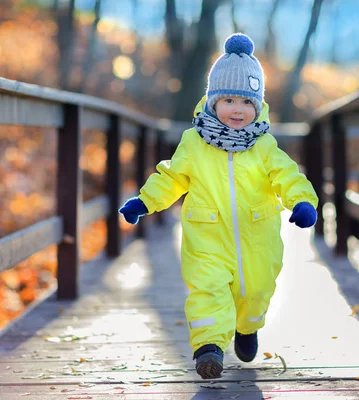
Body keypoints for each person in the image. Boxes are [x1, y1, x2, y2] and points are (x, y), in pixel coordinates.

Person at [119, 33, 318, 380]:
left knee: (256, 291)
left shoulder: (265, 146)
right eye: (227, 100)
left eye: (245, 101)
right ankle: (209, 349)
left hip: (259, 238)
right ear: (212, 102)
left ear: (257, 106)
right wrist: (145, 201)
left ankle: (246, 327)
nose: (237, 109)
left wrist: (301, 201)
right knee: (208, 289)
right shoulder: (194, 143)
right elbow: (173, 177)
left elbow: (287, 176)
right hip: (207, 236)